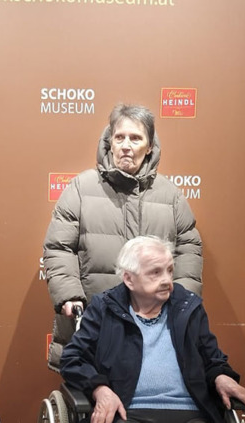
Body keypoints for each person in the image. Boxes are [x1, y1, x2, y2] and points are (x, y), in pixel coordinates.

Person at [43, 103, 202, 371]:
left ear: (149, 146)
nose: (126, 146)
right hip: (94, 324)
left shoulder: (171, 195)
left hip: (155, 327)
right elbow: (59, 247)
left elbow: (189, 248)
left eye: (135, 138)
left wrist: (183, 300)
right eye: (120, 137)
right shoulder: (80, 188)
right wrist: (69, 295)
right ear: (110, 142)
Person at [61, 236, 245, 423]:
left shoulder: (188, 307)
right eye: (155, 272)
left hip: (191, 413)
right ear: (129, 279)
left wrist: (221, 377)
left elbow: (212, 360)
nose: (167, 280)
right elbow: (73, 359)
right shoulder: (104, 308)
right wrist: (100, 389)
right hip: (127, 412)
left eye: (170, 270)